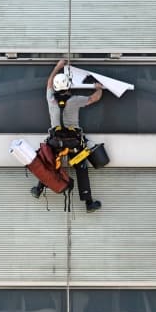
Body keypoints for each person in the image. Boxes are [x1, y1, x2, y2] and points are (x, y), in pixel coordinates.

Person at [30, 59, 103, 213]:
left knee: (49, 164)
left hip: (55, 143)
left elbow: (49, 82)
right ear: (68, 86)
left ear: (56, 88)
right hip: (74, 144)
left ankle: (38, 188)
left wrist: (58, 67)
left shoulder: (51, 100)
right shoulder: (75, 100)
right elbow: (94, 98)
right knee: (81, 169)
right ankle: (88, 203)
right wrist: (99, 88)